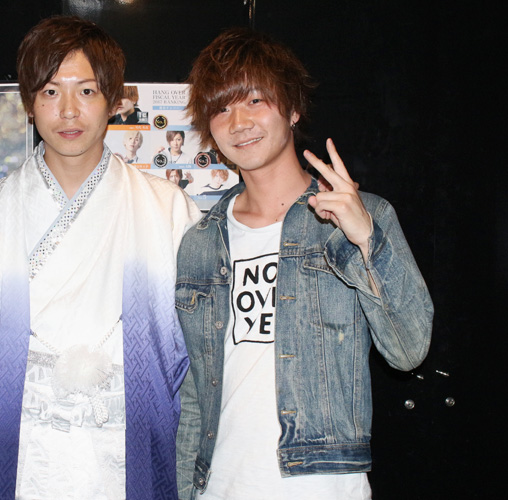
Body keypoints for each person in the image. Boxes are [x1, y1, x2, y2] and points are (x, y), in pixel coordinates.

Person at [0, 16, 201, 500]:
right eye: (49, 91)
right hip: (19, 458)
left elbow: (203, 357)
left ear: (113, 99)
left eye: (86, 91)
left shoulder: (168, 209)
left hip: (125, 457)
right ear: (28, 102)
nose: (68, 110)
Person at [175, 27, 433, 500]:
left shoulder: (363, 217)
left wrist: (365, 241)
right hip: (219, 485)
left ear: (293, 109)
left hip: (324, 486)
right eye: (222, 108)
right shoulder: (200, 242)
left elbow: (408, 350)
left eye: (255, 100)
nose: (239, 122)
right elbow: (196, 391)